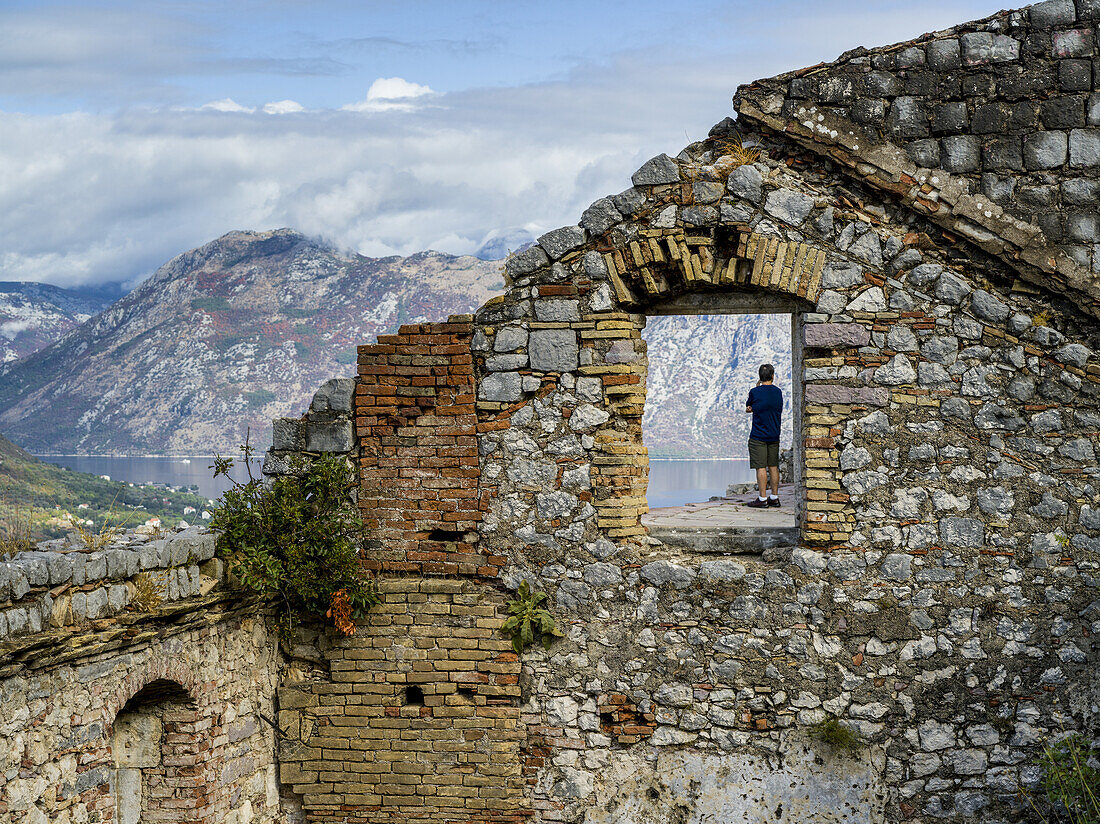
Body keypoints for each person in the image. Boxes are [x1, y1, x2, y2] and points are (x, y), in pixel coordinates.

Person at [744, 363, 783, 508]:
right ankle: (774, 497)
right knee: (773, 466)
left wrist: (757, 389)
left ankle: (762, 499)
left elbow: (749, 408)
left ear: (760, 377)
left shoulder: (755, 392)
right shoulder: (778, 392)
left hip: (758, 436)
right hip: (774, 434)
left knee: (760, 467)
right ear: (773, 376)